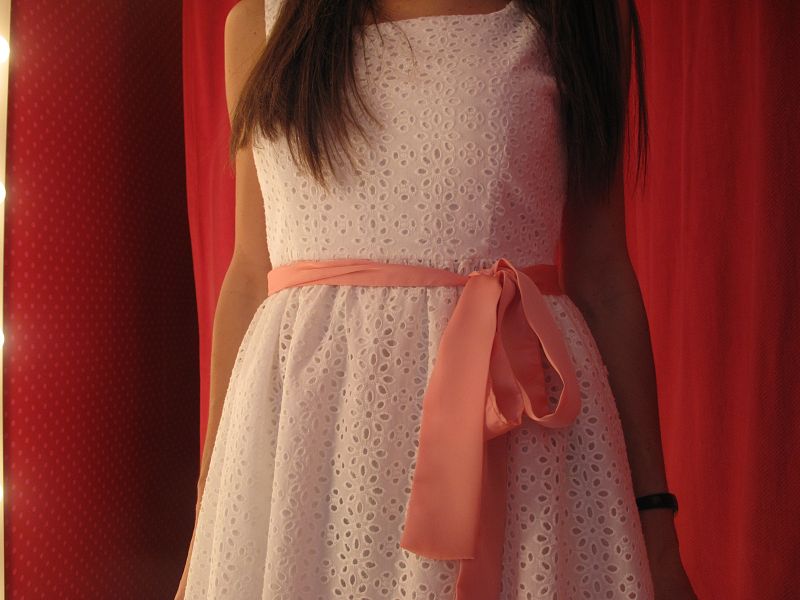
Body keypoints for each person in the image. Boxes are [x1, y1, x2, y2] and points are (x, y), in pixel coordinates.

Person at [176, 1, 699, 598]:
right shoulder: (259, 23)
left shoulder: (577, 15)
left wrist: (657, 527)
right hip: (301, 460)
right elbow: (251, 274)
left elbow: (602, 277)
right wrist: (207, 520)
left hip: (512, 450)